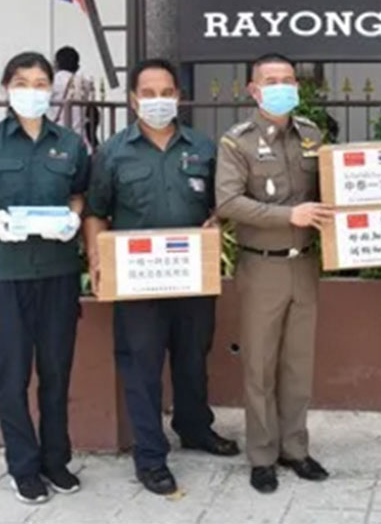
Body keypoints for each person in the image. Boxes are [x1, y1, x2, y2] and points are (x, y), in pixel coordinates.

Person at [83, 58, 239, 496]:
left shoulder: (204, 149)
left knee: (193, 357)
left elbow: (220, 207)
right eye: (147, 94)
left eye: (165, 93)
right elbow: (96, 212)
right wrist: (97, 258)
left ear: (178, 96)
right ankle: (150, 456)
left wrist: (216, 226)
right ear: (134, 100)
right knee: (142, 367)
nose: (157, 101)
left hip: (191, 275)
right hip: (137, 281)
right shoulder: (113, 152)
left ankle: (194, 428)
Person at [0, 51, 88, 504]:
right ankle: (23, 466)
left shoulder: (69, 142)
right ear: (7, 87)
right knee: (11, 374)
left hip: (58, 272)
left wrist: (72, 218)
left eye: (41, 82)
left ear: (52, 88)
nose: (33, 90)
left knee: (56, 370)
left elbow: (80, 194)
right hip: (4, 276)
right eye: (23, 82)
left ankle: (55, 461)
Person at [214, 53, 331, 495]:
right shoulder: (235, 142)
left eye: (288, 79)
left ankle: (295, 449)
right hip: (261, 263)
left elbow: (330, 191)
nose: (282, 86)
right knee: (260, 365)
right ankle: (262, 456)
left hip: (304, 264)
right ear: (253, 89)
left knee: (298, 364)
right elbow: (228, 203)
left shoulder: (312, 137)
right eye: (271, 80)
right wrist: (290, 215)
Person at [47, 46, 97, 146]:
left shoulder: (52, 82)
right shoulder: (85, 83)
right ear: (77, 66)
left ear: (56, 63)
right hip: (81, 138)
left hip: (58, 137)